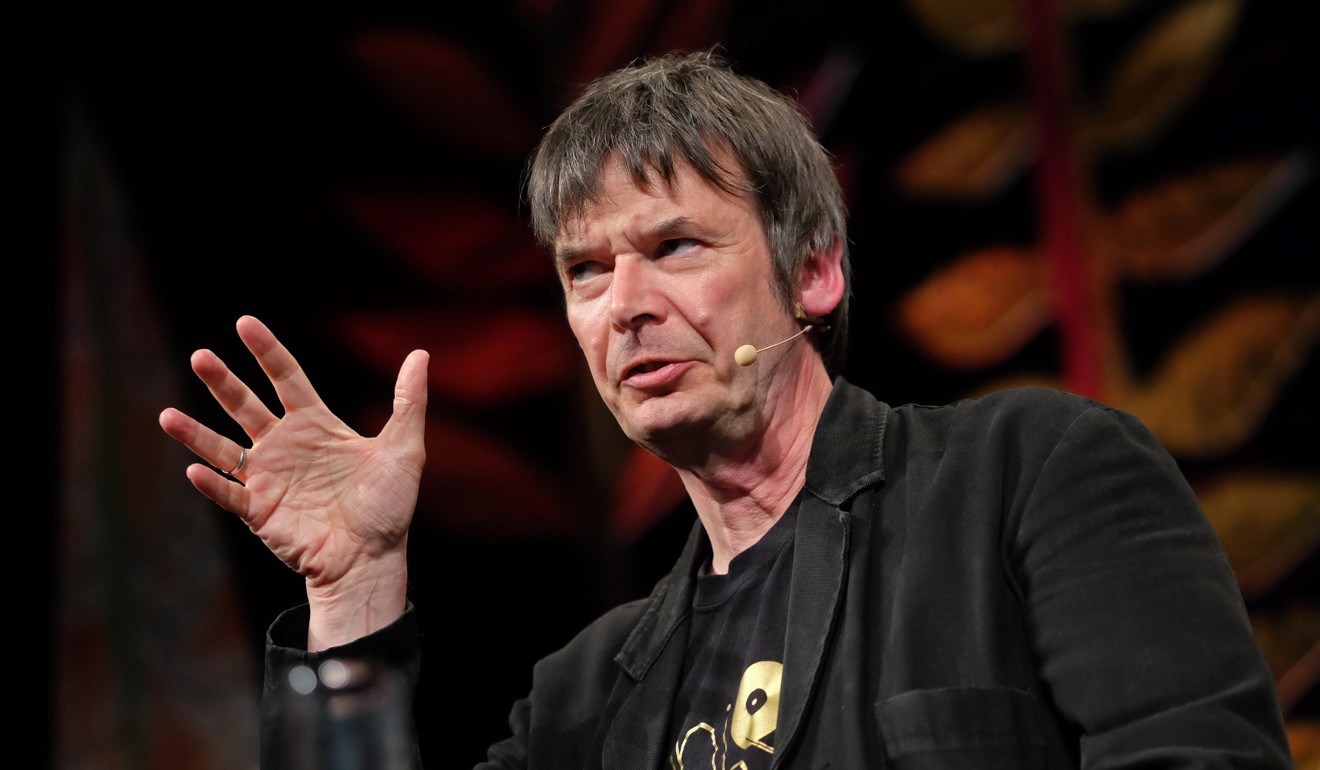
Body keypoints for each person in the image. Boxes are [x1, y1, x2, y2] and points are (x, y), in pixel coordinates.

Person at [159, 51, 1292, 768]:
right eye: (587, 271)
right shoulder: (587, 697)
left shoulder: (1031, 478)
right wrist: (356, 588)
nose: (626, 307)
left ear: (815, 272)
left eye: (674, 246)